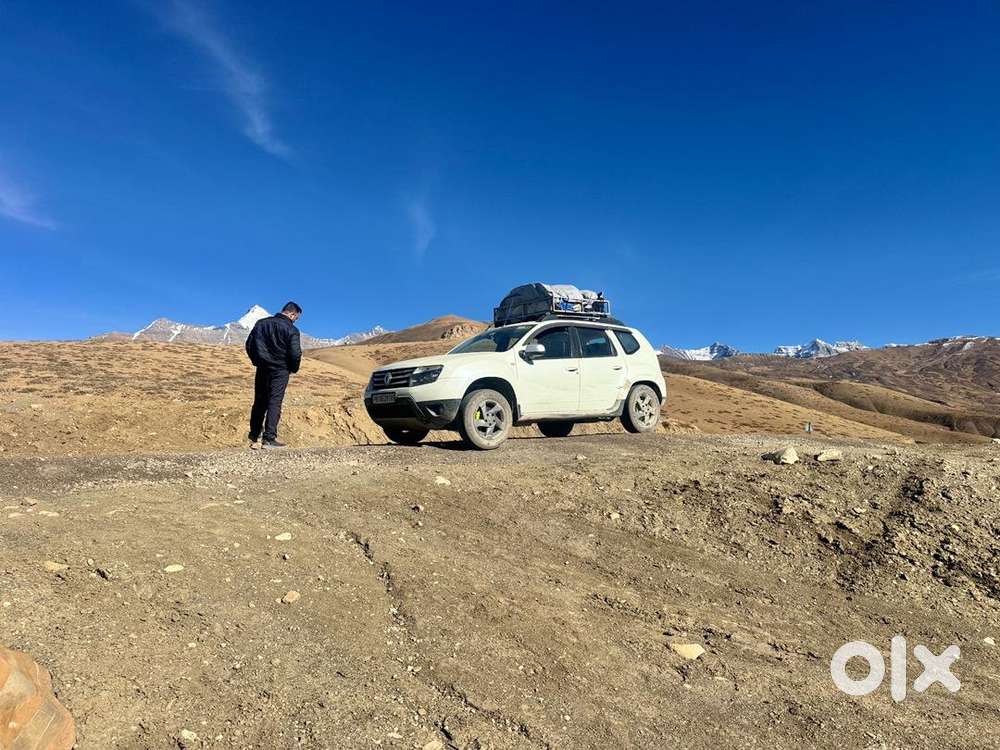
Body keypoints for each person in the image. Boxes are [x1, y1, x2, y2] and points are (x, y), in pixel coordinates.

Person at [245, 302, 302, 449]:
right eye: (296, 317)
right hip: (280, 370)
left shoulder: (261, 323)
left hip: (262, 368)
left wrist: (256, 361)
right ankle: (269, 438)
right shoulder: (292, 329)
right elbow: (295, 353)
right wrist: (293, 368)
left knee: (259, 401)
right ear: (292, 314)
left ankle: (254, 435)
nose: (295, 320)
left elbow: (249, 345)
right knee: (274, 401)